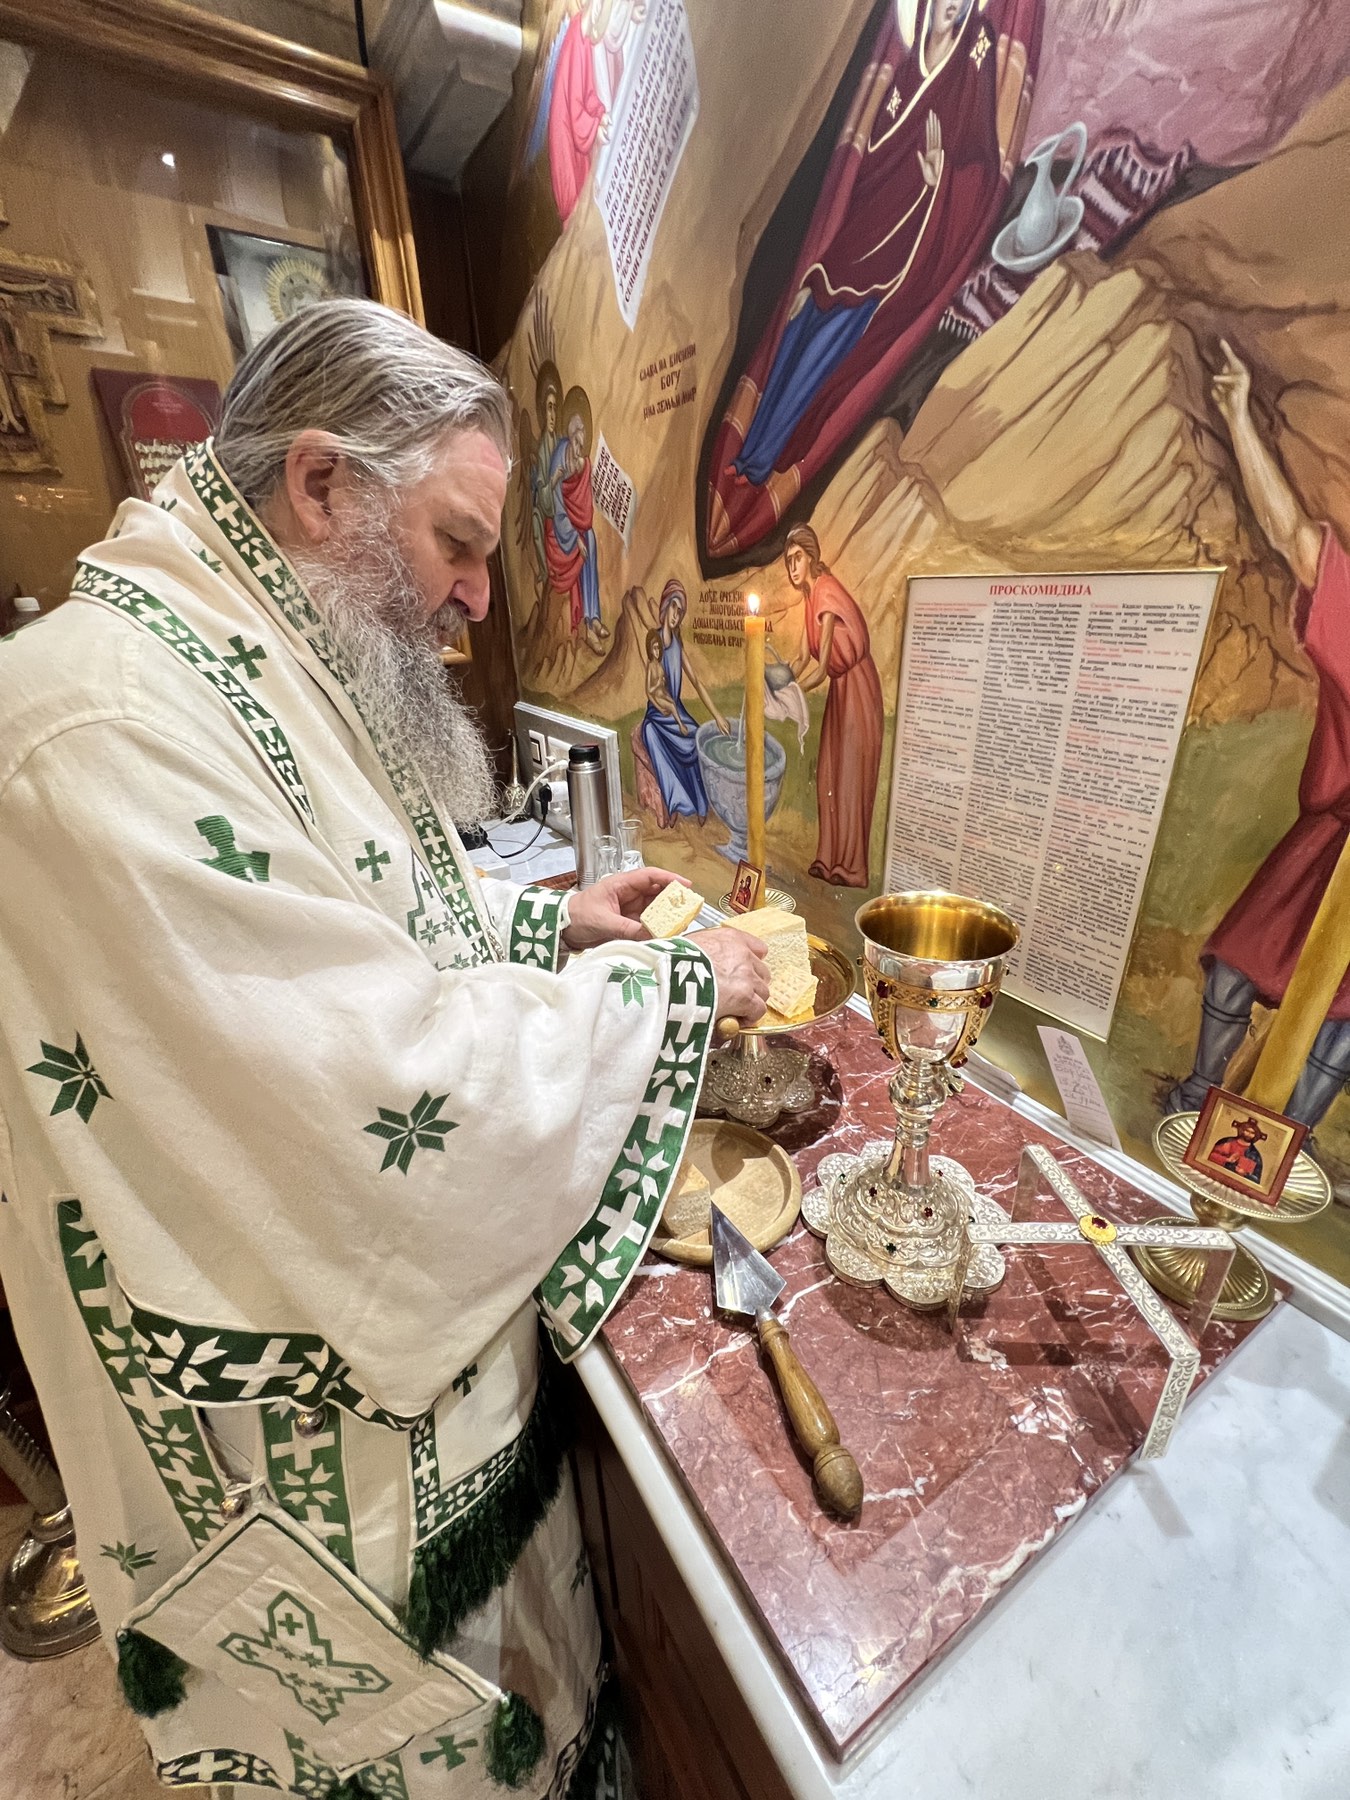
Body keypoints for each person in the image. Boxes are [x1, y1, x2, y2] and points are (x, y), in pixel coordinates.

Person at [0, 299, 768, 1799]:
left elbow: (344, 903)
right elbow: (380, 1084)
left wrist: (549, 930)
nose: (477, 597)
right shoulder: (104, 724)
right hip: (303, 1449)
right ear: (321, 484)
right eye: (458, 544)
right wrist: (676, 992)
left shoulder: (241, 644)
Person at [702, 0, 1042, 563]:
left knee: (823, 363)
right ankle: (747, 455)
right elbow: (865, 153)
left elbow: (981, 167)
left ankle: (761, 465)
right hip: (851, 238)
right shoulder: (902, 65)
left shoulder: (974, 60)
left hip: (898, 258)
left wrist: (939, 179)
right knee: (794, 343)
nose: (954, 6)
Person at [1166, 341, 1350, 1134]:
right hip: (1331, 843)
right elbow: (1292, 539)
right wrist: (1239, 415)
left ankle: (1289, 1144)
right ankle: (1199, 1094)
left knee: (1341, 1021)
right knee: (1238, 961)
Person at [784, 526, 884, 887]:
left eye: (797, 558)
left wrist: (790, 694)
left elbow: (822, 667)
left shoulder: (826, 592)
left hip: (858, 687)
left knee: (850, 776)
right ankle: (829, 860)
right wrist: (773, 680)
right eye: (788, 561)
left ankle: (851, 867)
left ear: (811, 557)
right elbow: (800, 659)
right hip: (842, 691)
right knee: (830, 772)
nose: (792, 567)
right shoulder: (809, 598)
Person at [638, 578, 728, 823]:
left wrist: (717, 715)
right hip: (658, 715)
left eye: (680, 612)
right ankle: (677, 803)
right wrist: (661, 706)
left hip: (677, 710)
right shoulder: (655, 643)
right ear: (665, 607)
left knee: (697, 739)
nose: (676, 615)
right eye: (674, 608)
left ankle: (701, 805)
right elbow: (651, 688)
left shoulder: (678, 646)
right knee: (652, 737)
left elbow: (696, 682)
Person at [544, 407, 604, 649]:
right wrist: (574, 537)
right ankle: (587, 628)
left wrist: (582, 534)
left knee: (592, 544)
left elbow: (585, 503)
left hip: (581, 526)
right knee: (582, 553)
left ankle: (594, 617)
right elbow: (557, 503)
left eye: (583, 443)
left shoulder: (583, 463)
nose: (580, 448)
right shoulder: (560, 455)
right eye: (577, 443)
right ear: (571, 437)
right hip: (562, 529)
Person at [1208, 1117, 1266, 1184]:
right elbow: (1210, 1156)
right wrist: (1227, 1160)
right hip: (1215, 1176)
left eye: (1252, 1133)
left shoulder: (1254, 1154)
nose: (1249, 1134)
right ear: (1242, 1130)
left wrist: (1245, 1174)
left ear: (1255, 1135)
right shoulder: (1227, 1141)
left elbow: (1256, 1180)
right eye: (1247, 1131)